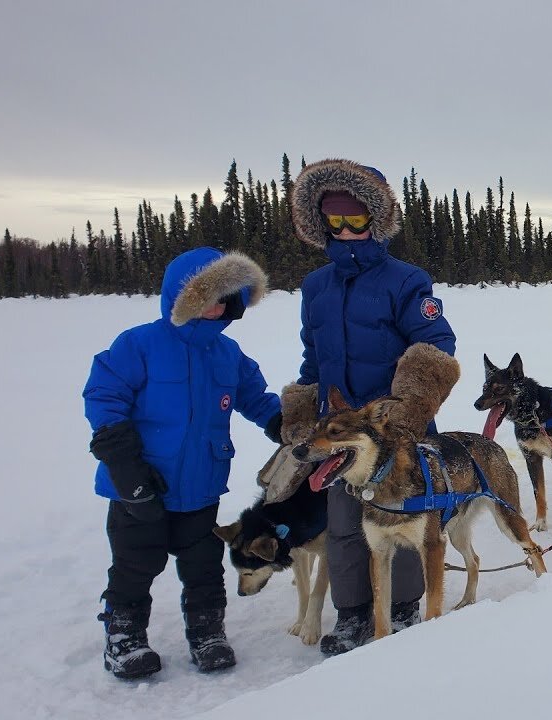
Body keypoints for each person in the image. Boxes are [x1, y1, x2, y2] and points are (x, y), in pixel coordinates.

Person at [282, 158, 456, 656]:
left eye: (355, 219)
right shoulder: (316, 287)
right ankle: (355, 614)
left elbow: (435, 345)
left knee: (402, 519)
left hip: (396, 429)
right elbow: (313, 357)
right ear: (319, 224)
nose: (345, 230)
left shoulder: (406, 280)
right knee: (343, 525)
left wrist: (404, 414)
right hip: (340, 432)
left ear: (376, 220)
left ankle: (401, 609)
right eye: (333, 220)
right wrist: (301, 413)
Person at [83, 248, 283, 680]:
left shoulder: (228, 354)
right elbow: (104, 395)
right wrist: (122, 461)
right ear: (181, 297)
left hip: (201, 487)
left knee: (204, 566)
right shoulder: (140, 344)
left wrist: (282, 423)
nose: (216, 307)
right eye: (206, 297)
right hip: (140, 486)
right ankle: (125, 639)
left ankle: (207, 633)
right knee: (135, 565)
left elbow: (255, 398)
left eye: (225, 298)